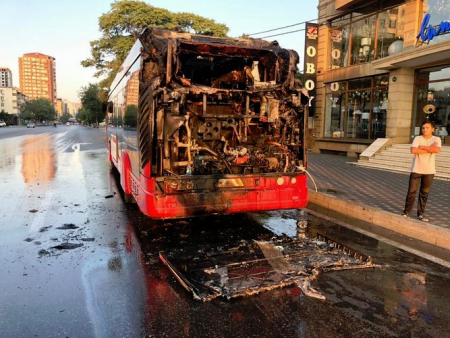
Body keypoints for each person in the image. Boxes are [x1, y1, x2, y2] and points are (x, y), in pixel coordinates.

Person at [403, 120, 441, 222]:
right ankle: (406, 212)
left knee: (424, 193)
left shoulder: (436, 139)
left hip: (429, 171)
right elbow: (413, 150)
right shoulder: (418, 138)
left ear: (432, 129)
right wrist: (430, 148)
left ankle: (420, 214)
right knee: (411, 191)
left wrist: (423, 147)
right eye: (423, 128)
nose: (424, 130)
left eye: (427, 128)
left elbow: (437, 150)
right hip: (416, 169)